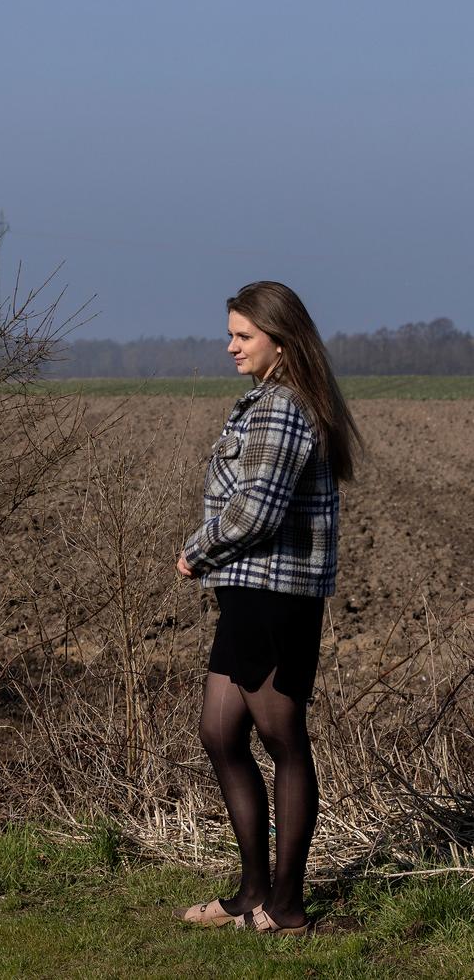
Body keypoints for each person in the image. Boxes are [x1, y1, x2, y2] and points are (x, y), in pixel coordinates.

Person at [173, 280, 361, 937]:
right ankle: (252, 890)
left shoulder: (282, 408)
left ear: (281, 340)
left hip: (275, 596)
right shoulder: (269, 402)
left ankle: (283, 905)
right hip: (252, 592)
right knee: (220, 732)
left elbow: (256, 509)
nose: (230, 345)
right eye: (231, 333)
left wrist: (197, 549)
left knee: (282, 739)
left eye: (242, 335)